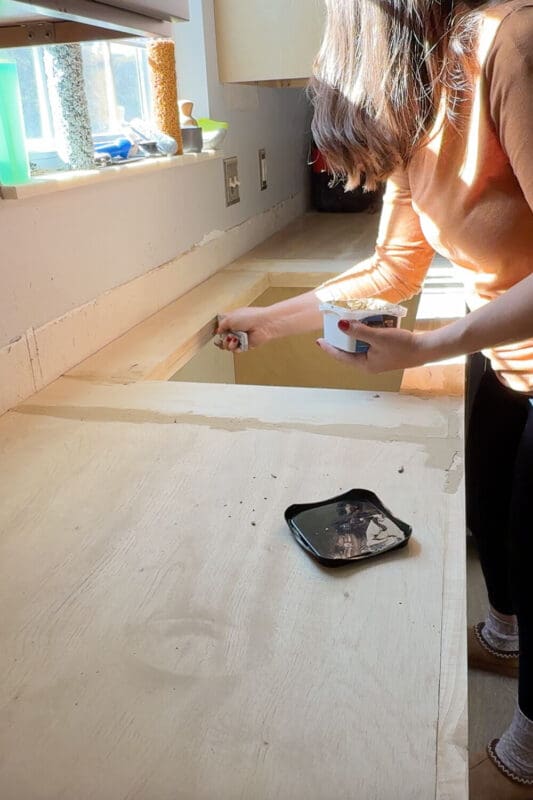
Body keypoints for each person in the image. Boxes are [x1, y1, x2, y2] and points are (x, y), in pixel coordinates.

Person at [217, 2, 533, 796]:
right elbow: (393, 268)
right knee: (492, 508)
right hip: (508, 349)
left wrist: (427, 346)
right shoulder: (419, 99)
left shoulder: (509, 43)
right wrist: (270, 322)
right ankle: (505, 638)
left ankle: (526, 756)